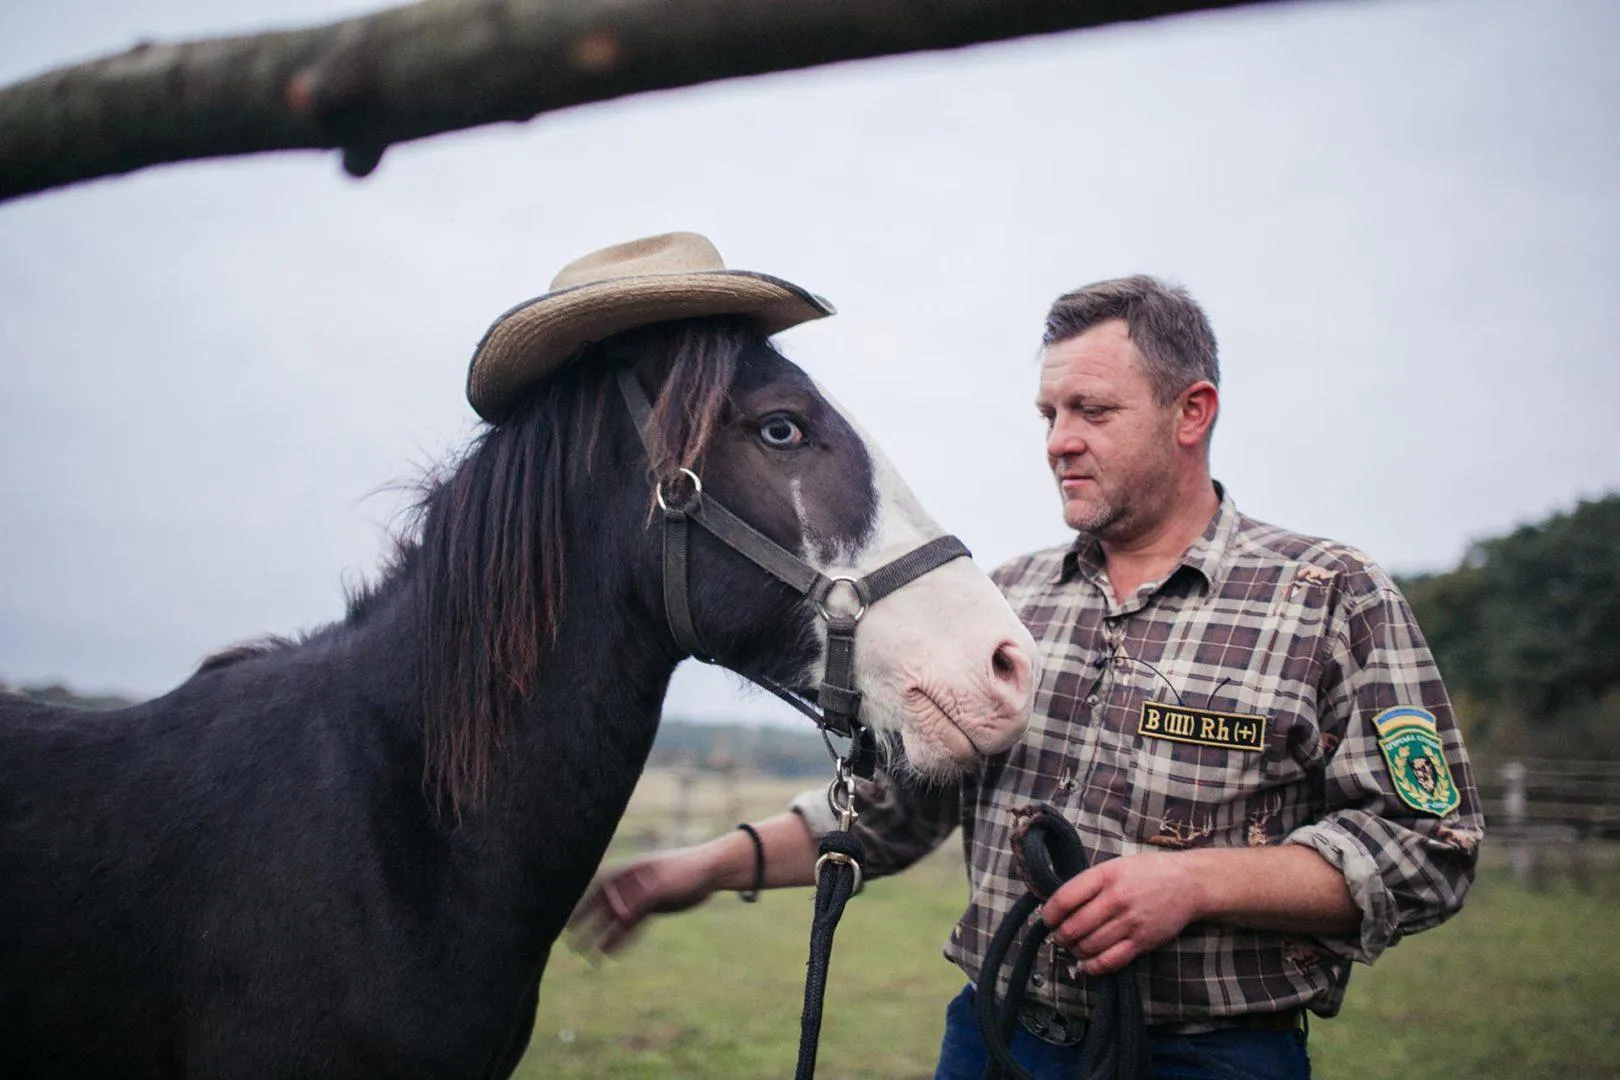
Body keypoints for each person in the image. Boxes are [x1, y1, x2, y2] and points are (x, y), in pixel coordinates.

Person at [571, 275, 1484, 1080]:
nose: (1059, 442)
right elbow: (891, 815)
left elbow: (1430, 845)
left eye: (1093, 411)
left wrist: (1196, 884)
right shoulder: (1004, 607)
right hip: (994, 1040)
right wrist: (693, 870)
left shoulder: (1328, 596)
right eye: (1049, 416)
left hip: (1212, 1055)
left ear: (1191, 413)